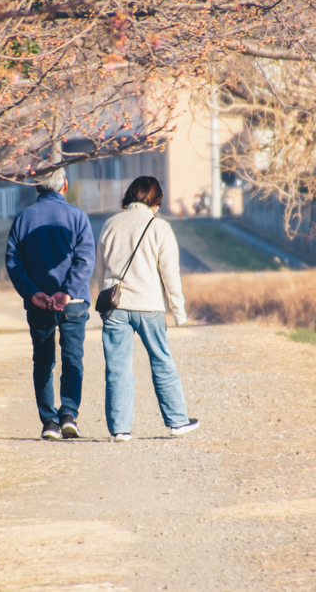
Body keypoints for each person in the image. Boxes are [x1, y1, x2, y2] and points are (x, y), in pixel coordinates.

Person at [95, 175, 199, 442]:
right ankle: (177, 422)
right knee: (161, 361)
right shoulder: (159, 227)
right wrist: (179, 312)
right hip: (149, 306)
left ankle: (120, 429)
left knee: (117, 368)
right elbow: (170, 274)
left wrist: (104, 297)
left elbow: (100, 271)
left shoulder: (110, 224)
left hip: (115, 307)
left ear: (130, 197)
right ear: (155, 201)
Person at [5, 169, 95, 440]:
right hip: (74, 302)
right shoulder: (78, 217)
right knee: (72, 358)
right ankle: (69, 415)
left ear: (36, 187)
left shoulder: (23, 219)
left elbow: (13, 262)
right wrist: (66, 292)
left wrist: (33, 293)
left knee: (43, 362)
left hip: (39, 303)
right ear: (65, 185)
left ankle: (49, 422)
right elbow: (85, 259)